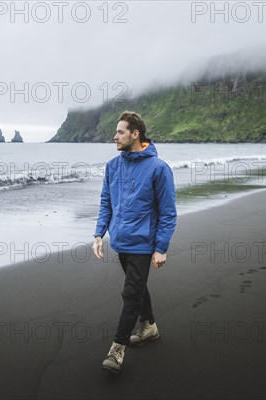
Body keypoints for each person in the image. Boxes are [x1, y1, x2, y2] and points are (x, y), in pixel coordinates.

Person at [92, 111, 177, 374]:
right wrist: (99, 233)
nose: (115, 136)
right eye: (116, 132)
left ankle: (116, 350)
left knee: (130, 294)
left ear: (135, 134)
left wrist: (161, 247)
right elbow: (106, 201)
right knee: (137, 287)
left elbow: (168, 212)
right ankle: (149, 326)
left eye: (120, 132)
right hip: (121, 241)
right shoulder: (112, 166)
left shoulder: (159, 168)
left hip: (143, 243)